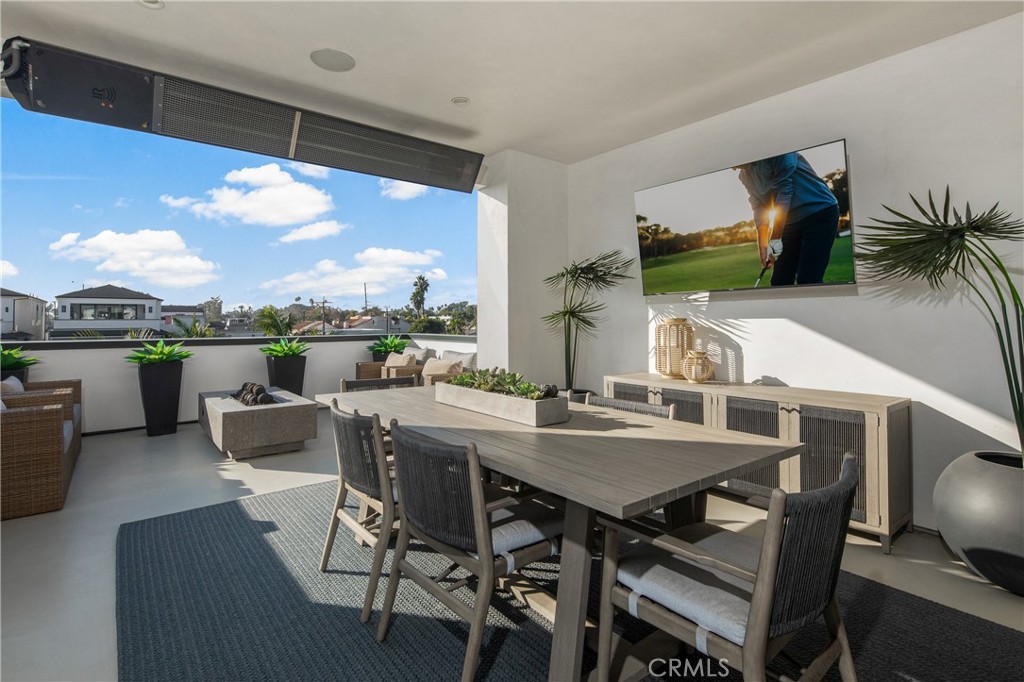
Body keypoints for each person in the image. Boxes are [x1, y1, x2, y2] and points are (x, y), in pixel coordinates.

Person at [735, 152, 839, 286]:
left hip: (819, 212)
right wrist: (763, 247)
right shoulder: (744, 176)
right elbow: (758, 207)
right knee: (779, 281)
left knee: (808, 280)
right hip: (789, 222)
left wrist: (775, 238)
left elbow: (784, 192)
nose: (733, 167)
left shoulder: (777, 150)